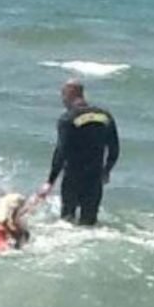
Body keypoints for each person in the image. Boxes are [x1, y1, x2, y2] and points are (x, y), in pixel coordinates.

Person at [38, 79, 120, 225]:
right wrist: (106, 170)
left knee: (67, 221)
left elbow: (61, 151)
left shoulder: (68, 119)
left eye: (63, 95)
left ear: (70, 93)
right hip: (95, 178)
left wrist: (50, 182)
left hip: (73, 177)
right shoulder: (105, 116)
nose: (63, 100)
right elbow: (114, 148)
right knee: (89, 223)